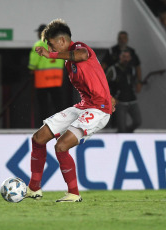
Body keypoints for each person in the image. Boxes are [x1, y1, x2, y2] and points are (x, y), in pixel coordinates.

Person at [24, 19, 115, 202]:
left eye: (51, 44)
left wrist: (51, 56)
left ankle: (73, 194)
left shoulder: (80, 47)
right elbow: (95, 75)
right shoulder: (67, 62)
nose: (49, 48)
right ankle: (33, 188)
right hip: (84, 106)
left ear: (62, 41)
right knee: (38, 138)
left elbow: (81, 55)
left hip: (98, 109)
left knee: (61, 146)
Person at [28, 24, 65, 127]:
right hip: (56, 80)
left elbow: (33, 63)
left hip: (42, 81)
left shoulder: (38, 45)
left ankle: (45, 127)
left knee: (43, 107)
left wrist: (31, 70)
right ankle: (62, 125)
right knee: (58, 105)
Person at [106, 50, 142, 133]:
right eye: (124, 57)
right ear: (120, 57)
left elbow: (133, 81)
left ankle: (127, 133)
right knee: (121, 127)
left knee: (138, 121)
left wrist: (137, 84)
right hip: (120, 101)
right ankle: (122, 135)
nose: (126, 59)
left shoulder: (132, 69)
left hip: (132, 99)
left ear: (130, 58)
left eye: (127, 57)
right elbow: (104, 85)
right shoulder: (113, 70)